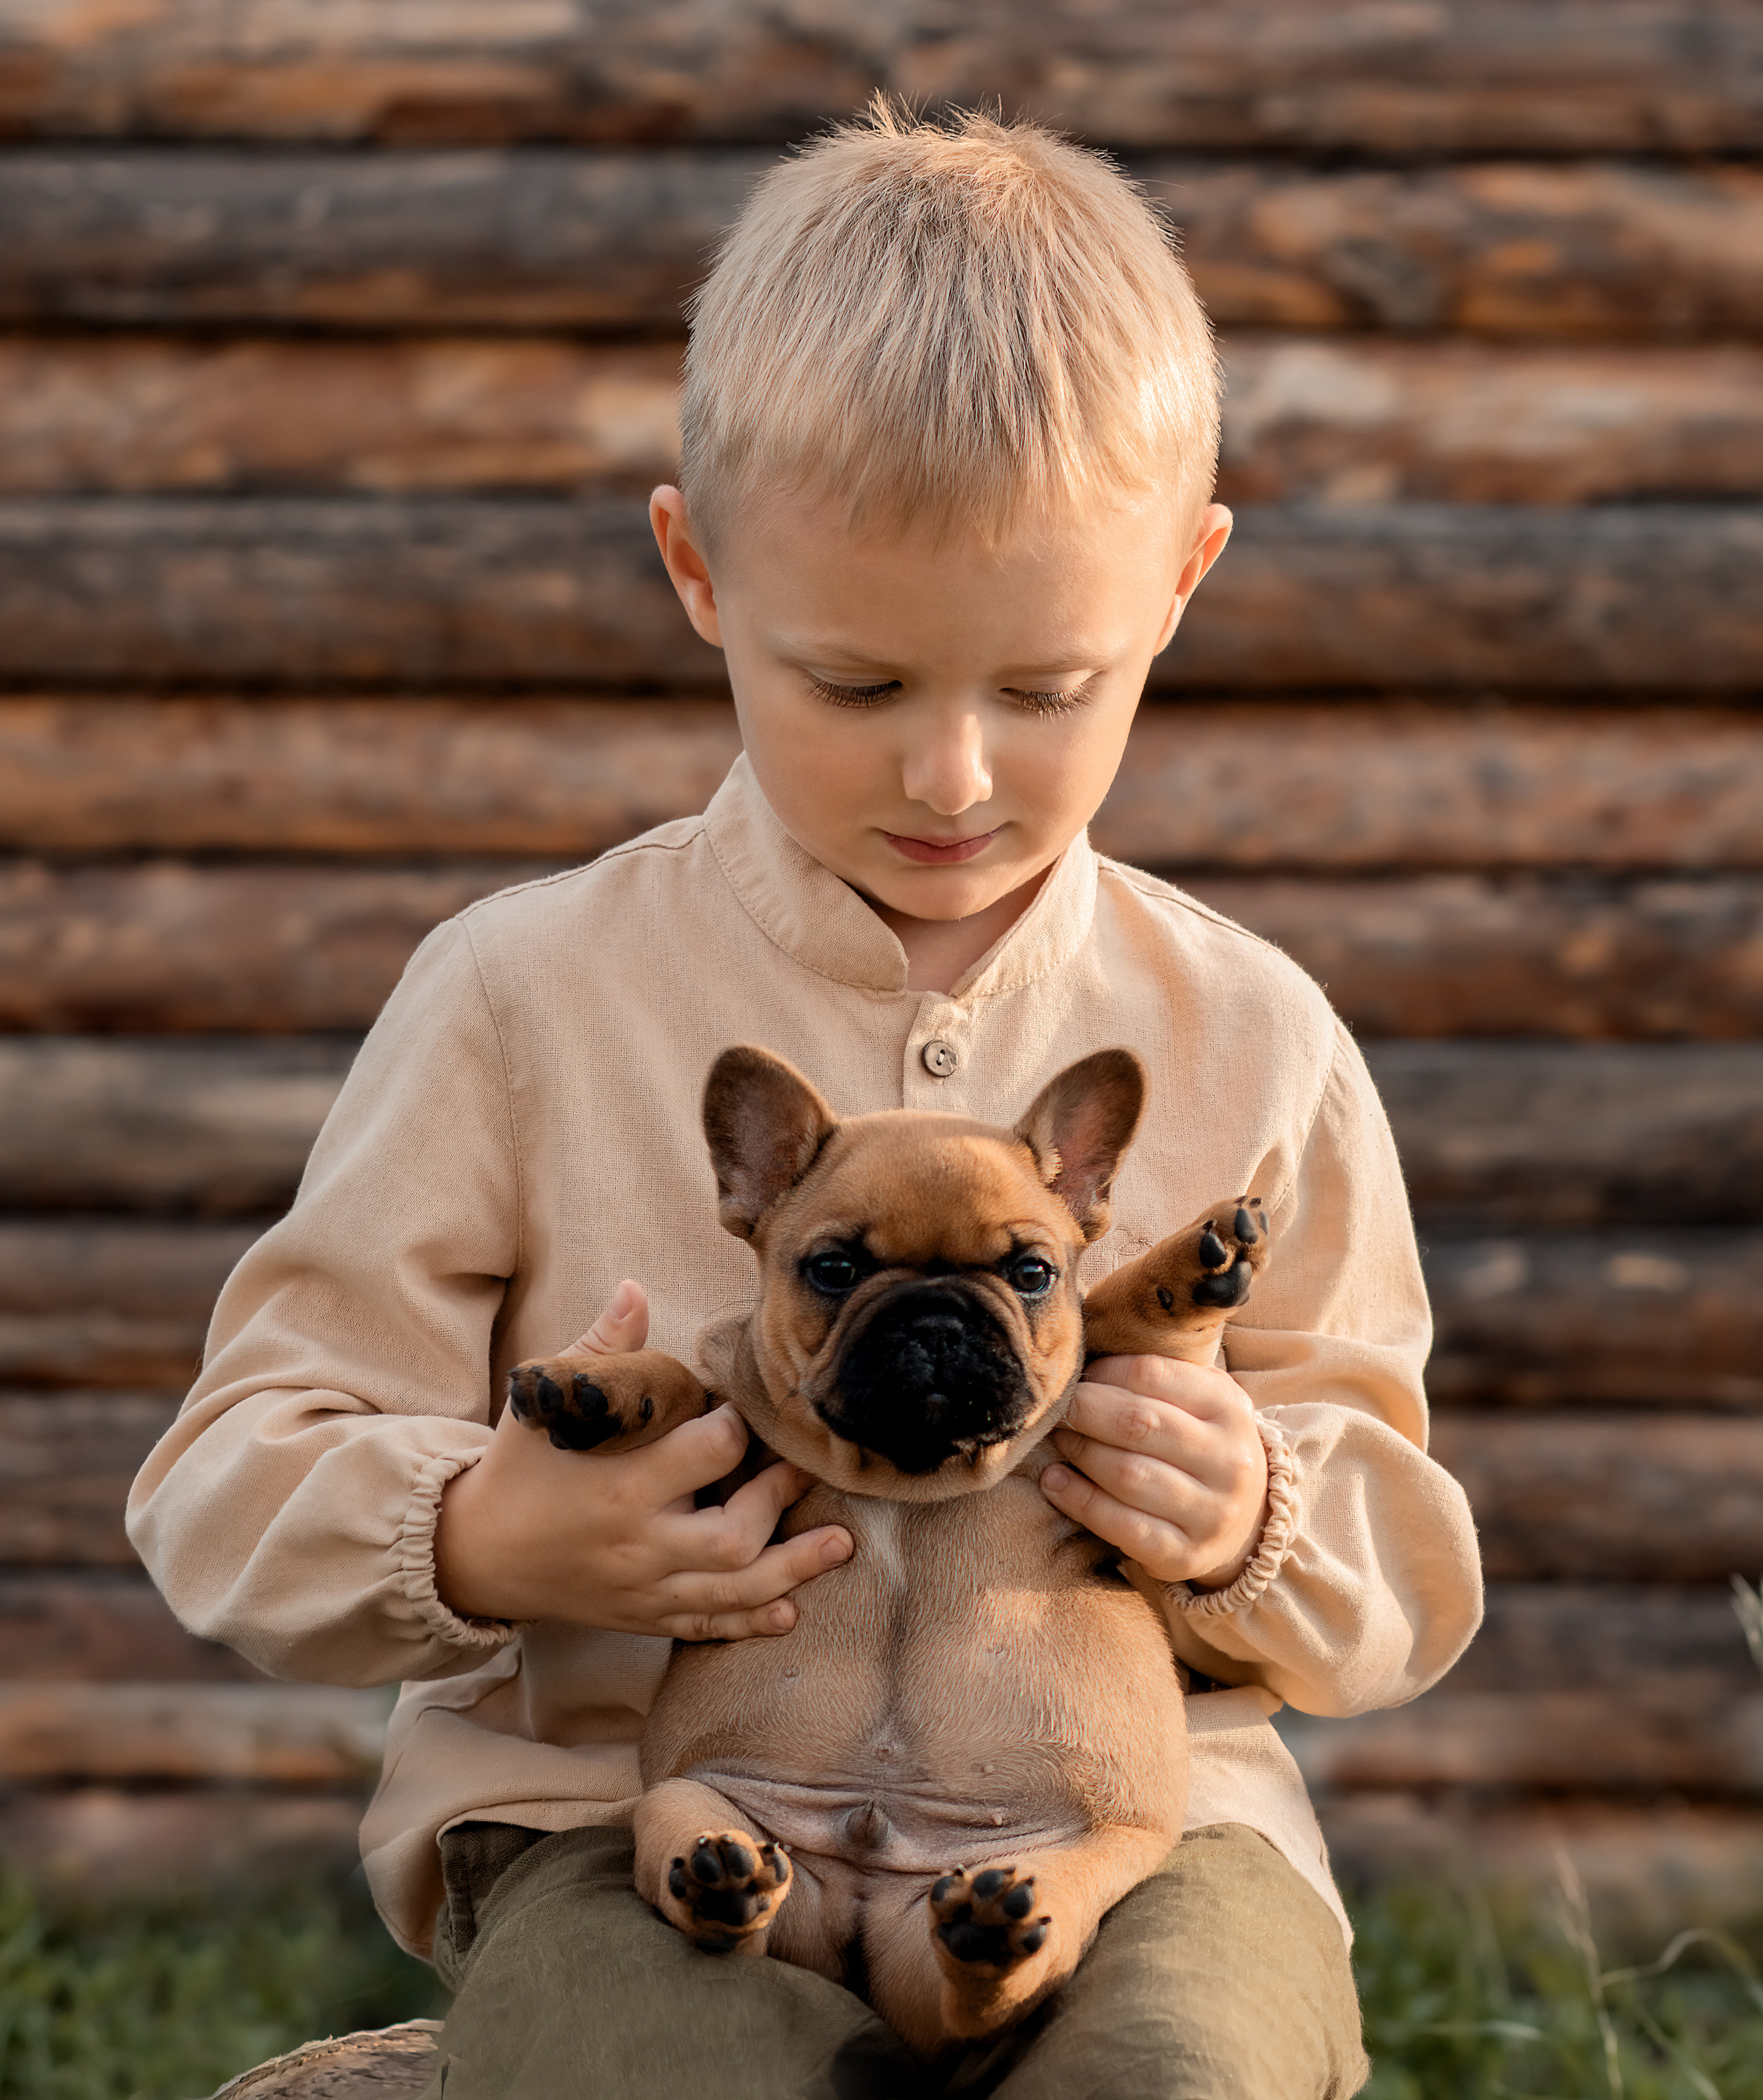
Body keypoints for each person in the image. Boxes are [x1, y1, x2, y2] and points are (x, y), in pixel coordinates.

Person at [128, 101, 1481, 2099]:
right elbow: (224, 1481)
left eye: (1043, 691)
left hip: (1136, 1835)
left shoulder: (1251, 1033)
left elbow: (1408, 1582)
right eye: (856, 685)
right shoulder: (523, 996)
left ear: (1184, 586)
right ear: (697, 571)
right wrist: (482, 1536)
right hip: (627, 1825)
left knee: (1186, 2075)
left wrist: (1254, 1514)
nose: (952, 775)